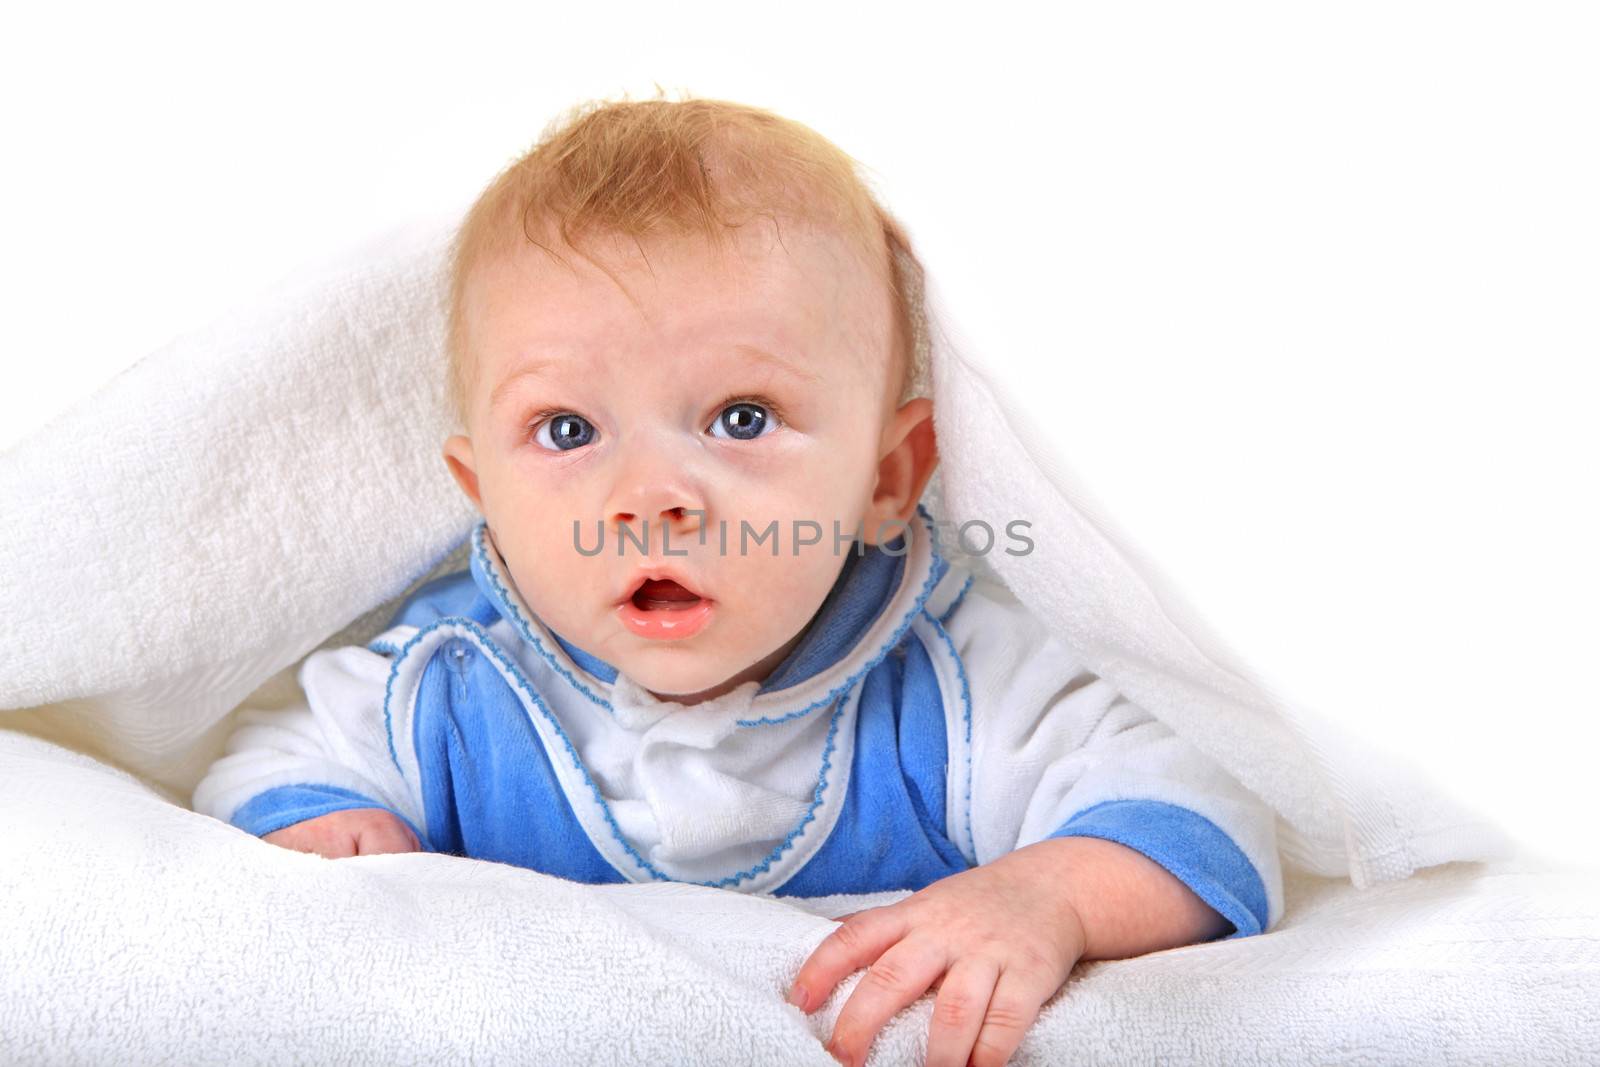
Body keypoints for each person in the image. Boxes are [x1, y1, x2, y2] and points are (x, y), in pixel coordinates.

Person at [192, 93, 1281, 1067]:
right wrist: (327, 829)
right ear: (482, 492)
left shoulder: (948, 682)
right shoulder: (454, 684)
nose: (652, 496)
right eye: (567, 428)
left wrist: (1047, 893)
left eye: (741, 418)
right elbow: (266, 762)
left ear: (888, 476)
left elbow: (1204, 803)